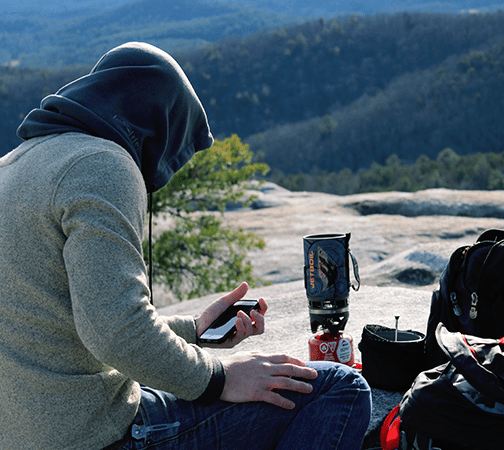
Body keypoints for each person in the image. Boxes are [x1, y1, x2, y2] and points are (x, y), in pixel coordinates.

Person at [0, 42, 371, 450]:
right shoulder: (101, 165)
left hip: (34, 430)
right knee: (339, 386)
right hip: (97, 434)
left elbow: (61, 323)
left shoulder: (14, 165)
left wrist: (192, 332)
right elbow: (114, 335)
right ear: (160, 127)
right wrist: (222, 377)